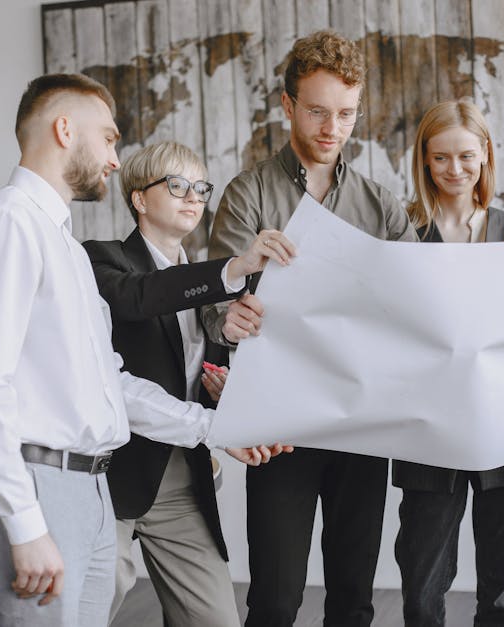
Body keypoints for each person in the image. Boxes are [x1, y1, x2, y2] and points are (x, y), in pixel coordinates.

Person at [0, 73, 277, 627]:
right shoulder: (7, 225)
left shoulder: (63, 249)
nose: (116, 160)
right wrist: (26, 525)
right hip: (43, 485)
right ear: (65, 129)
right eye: (111, 138)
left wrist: (217, 429)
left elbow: (112, 384)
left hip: (92, 489)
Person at [201, 30, 417, 627]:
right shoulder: (247, 195)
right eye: (318, 111)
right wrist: (230, 318)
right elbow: (215, 307)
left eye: (345, 114)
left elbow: (413, 309)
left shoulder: (382, 204)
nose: (332, 128)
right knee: (274, 598)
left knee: (354, 597)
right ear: (288, 104)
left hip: (359, 421)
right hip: (280, 424)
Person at [82, 141, 294, 626]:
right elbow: (140, 298)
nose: (193, 197)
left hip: (181, 477)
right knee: (94, 598)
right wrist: (235, 268)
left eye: (201, 188)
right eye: (177, 185)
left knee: (216, 620)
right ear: (139, 198)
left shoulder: (207, 289)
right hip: (110, 477)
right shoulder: (101, 260)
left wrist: (226, 386)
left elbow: (201, 369)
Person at [391, 99, 504, 627]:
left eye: (465, 157)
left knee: (501, 594)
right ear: (423, 161)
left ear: (485, 155)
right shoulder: (401, 233)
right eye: (440, 159)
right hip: (426, 428)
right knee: (420, 586)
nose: (454, 171)